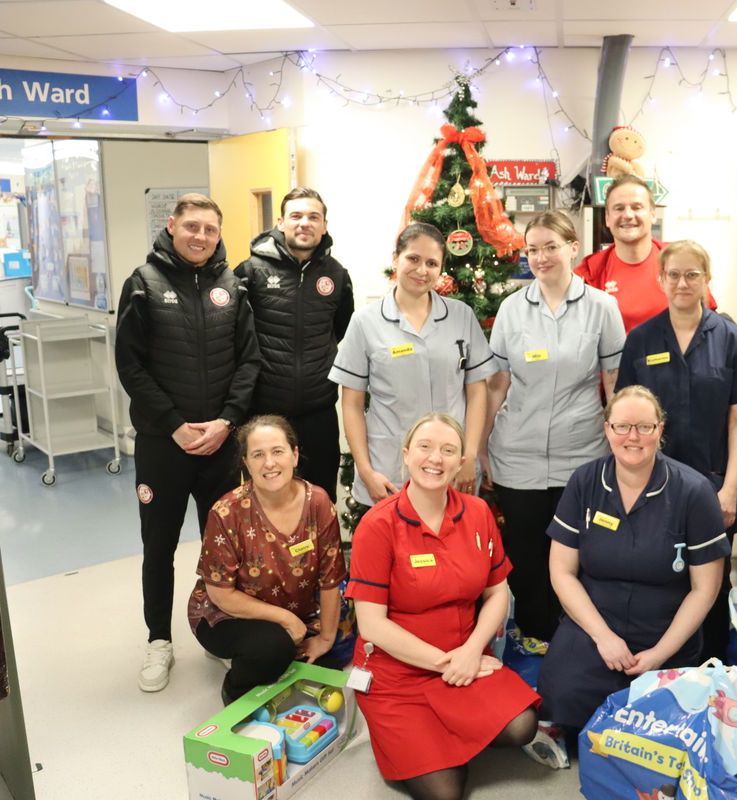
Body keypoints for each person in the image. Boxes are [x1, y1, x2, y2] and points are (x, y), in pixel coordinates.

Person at [345, 413, 540, 800]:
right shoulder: (378, 525)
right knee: (444, 792)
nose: (436, 458)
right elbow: (372, 626)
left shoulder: (478, 513)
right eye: (425, 447)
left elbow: (497, 593)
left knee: (523, 726)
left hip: (464, 656)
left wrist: (471, 652)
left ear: (461, 462)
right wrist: (449, 663)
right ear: (406, 455)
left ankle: (449, 734)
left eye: (448, 450)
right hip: (397, 674)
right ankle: (426, 739)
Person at [115, 193, 261, 693]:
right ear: (173, 226)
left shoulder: (231, 286)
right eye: (192, 226)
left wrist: (226, 422)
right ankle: (159, 640)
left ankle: (222, 630)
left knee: (225, 548)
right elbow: (130, 365)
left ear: (219, 235)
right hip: (163, 445)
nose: (200, 236)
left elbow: (249, 361)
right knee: (158, 547)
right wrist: (175, 425)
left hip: (221, 444)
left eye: (210, 229)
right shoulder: (143, 283)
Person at [537, 386, 729, 736]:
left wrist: (659, 653)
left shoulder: (694, 491)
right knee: (563, 699)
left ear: (660, 429)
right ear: (607, 429)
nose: (633, 437)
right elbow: (562, 572)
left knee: (661, 725)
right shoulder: (584, 482)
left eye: (644, 427)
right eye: (622, 426)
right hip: (593, 625)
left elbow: (705, 589)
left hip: (664, 630)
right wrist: (603, 638)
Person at [481, 210, 626, 644]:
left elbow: (614, 382)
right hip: (517, 455)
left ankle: (573, 639)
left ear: (573, 248)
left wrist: (622, 444)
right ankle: (532, 636)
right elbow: (497, 383)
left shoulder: (602, 307)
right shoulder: (511, 309)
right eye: (533, 249)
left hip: (580, 453)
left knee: (576, 555)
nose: (541, 257)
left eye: (551, 247)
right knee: (526, 555)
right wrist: (481, 447)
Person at [329, 222, 496, 511]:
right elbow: (352, 404)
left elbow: (477, 392)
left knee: (451, 538)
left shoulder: (461, 316)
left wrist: (468, 457)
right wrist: (366, 471)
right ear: (396, 258)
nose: (422, 270)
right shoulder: (366, 322)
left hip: (451, 468)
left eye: (432, 263)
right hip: (389, 470)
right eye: (413, 259)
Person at [187, 415, 346, 704]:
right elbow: (220, 595)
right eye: (258, 455)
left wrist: (325, 638)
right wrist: (287, 620)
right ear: (246, 464)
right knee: (272, 649)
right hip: (228, 614)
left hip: (301, 610)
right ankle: (236, 690)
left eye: (277, 451)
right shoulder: (227, 512)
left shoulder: (318, 502)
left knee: (333, 652)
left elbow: (331, 578)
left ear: (294, 455)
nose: (269, 463)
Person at [616, 240, 737, 534]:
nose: (682, 283)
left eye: (692, 275)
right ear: (661, 279)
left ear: (707, 279)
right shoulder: (640, 339)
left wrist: (730, 488)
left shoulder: (732, 338)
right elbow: (625, 420)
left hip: (713, 483)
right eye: (673, 274)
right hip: (649, 482)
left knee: (711, 562)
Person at [235, 187, 354, 500]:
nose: (305, 223)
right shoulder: (250, 272)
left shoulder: (336, 275)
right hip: (264, 413)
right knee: (264, 500)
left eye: (313, 217)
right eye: (296, 216)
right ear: (281, 222)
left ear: (324, 226)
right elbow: (235, 335)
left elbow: (340, 329)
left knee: (321, 497)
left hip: (319, 411)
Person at [576, 175, 717, 332]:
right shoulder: (591, 272)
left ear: (653, 214)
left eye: (637, 207)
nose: (628, 215)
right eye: (619, 208)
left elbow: (710, 326)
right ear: (607, 218)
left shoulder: (682, 261)